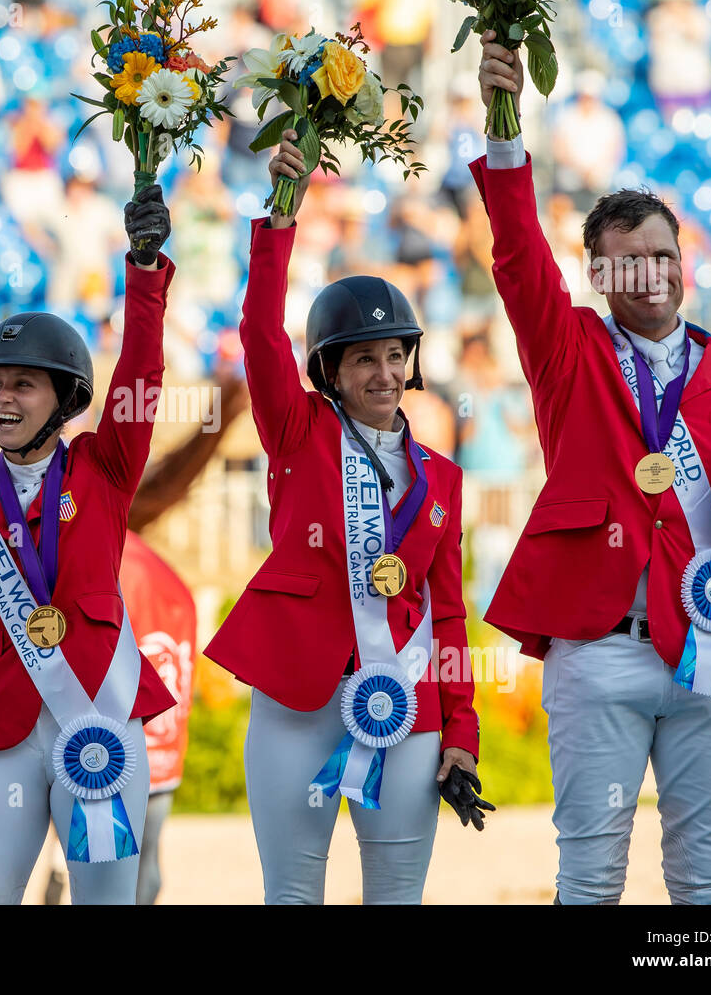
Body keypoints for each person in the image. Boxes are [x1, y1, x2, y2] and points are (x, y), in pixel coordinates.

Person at [473, 30, 711, 904]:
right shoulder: (570, 350)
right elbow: (517, 259)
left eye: (663, 254)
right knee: (589, 877)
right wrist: (506, 127)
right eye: (628, 257)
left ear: (684, 261)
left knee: (705, 880)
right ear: (597, 271)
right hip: (598, 652)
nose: (650, 272)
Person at [203, 133, 487, 906]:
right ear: (329, 370)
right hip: (299, 701)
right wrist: (280, 214)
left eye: (396, 355)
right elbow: (260, 337)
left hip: (409, 706)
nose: (386, 373)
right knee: (292, 898)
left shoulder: (445, 480)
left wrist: (461, 734)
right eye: (365, 359)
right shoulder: (297, 433)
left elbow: (450, 613)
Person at [0, 185, 178, 905]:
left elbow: (143, 379)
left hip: (101, 721)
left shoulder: (105, 466)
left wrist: (145, 272)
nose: (1, 399)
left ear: (63, 398)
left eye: (21, 385)